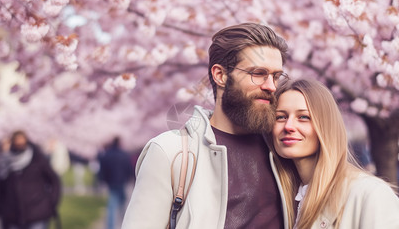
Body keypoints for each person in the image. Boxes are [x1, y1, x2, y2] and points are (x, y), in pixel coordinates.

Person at [122, 23, 289, 228]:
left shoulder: (285, 149)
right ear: (220, 75)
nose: (271, 86)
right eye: (258, 73)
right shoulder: (169, 152)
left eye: (276, 76)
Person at [268, 79, 399, 229]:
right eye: (281, 117)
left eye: (303, 117)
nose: (288, 126)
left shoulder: (370, 194)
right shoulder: (285, 199)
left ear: (326, 126)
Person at [0, 130, 61, 229]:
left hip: (37, 213)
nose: (19, 144)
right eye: (17, 141)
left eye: (21, 141)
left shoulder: (37, 159)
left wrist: (52, 203)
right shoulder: (5, 162)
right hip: (12, 215)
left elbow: (54, 180)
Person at [98, 137, 134, 229]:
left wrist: (104, 180)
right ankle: (124, 223)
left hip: (111, 182)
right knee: (122, 203)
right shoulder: (124, 154)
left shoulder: (107, 154)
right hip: (122, 181)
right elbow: (129, 168)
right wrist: (130, 178)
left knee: (112, 204)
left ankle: (111, 226)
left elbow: (103, 169)